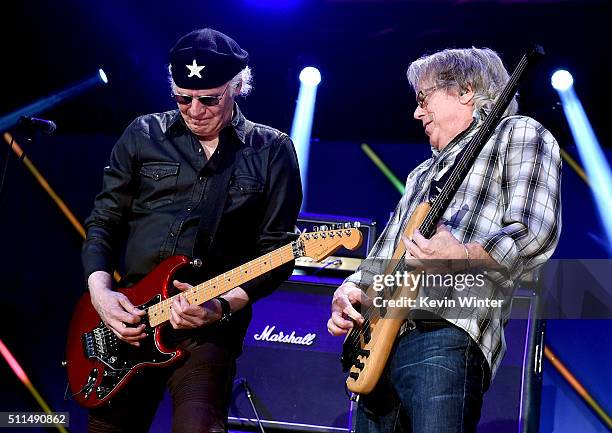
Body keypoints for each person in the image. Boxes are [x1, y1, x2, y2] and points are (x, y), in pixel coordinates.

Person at [327, 47, 561, 433]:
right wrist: (352, 289)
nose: (416, 113)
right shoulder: (422, 174)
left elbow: (534, 232)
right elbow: (385, 255)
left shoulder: (518, 133)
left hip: (446, 329)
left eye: (423, 98)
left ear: (465, 90)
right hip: (380, 345)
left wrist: (465, 255)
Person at [81, 28, 302, 433]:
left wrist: (220, 307)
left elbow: (277, 253)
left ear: (237, 87)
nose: (195, 109)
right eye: (183, 98)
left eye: (209, 99)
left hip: (208, 328)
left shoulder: (271, 150)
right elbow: (104, 220)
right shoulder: (143, 134)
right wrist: (100, 294)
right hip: (129, 319)